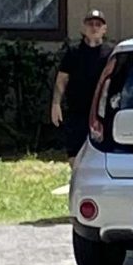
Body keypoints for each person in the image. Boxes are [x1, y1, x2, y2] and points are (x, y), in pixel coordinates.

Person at [51, 10, 111, 158]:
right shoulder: (73, 52)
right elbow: (62, 79)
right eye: (90, 24)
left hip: (102, 112)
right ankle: (76, 178)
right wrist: (56, 104)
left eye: (98, 24)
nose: (94, 28)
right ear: (84, 28)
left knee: (102, 152)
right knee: (74, 152)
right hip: (77, 111)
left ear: (104, 29)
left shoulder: (111, 53)